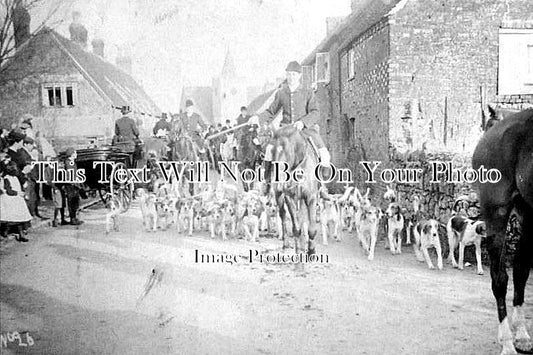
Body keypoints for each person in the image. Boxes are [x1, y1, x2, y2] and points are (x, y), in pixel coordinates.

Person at [248, 60, 331, 188]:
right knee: (270, 151)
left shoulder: (308, 92)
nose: (291, 77)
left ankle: (322, 186)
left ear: (299, 76)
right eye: (289, 74)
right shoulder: (281, 93)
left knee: (324, 154)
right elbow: (271, 111)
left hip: (305, 131)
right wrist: (257, 118)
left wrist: (303, 122)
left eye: (293, 74)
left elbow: (315, 112)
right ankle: (268, 182)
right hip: (285, 130)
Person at [0, 161, 32, 242]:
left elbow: (19, 186)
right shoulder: (7, 178)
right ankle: (5, 231)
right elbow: (9, 191)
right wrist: (18, 193)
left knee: (20, 218)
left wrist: (21, 193)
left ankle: (21, 235)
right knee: (11, 219)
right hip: (10, 200)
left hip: (17, 199)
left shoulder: (15, 178)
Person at [63, 148, 83, 225]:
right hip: (70, 185)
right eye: (75, 153)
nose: (76, 155)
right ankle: (72, 219)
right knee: (71, 202)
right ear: (71, 154)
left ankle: (74, 218)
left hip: (74, 184)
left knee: (75, 201)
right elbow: (69, 174)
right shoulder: (68, 163)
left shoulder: (72, 162)